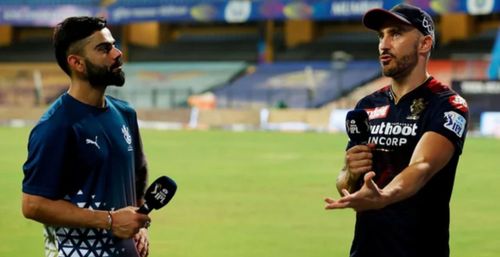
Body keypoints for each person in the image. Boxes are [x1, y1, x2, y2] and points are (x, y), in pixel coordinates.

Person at [324, 4, 469, 257]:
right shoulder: (367, 105)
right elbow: (347, 182)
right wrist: (349, 173)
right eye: (381, 36)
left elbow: (422, 167)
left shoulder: (447, 104)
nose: (384, 44)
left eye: (396, 34)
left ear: (424, 44)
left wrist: (385, 195)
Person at [22, 17, 151, 257]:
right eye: (104, 49)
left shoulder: (125, 113)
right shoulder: (57, 126)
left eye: (113, 44)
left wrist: (137, 222)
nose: (117, 54)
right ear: (77, 63)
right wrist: (111, 220)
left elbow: (137, 174)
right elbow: (33, 205)